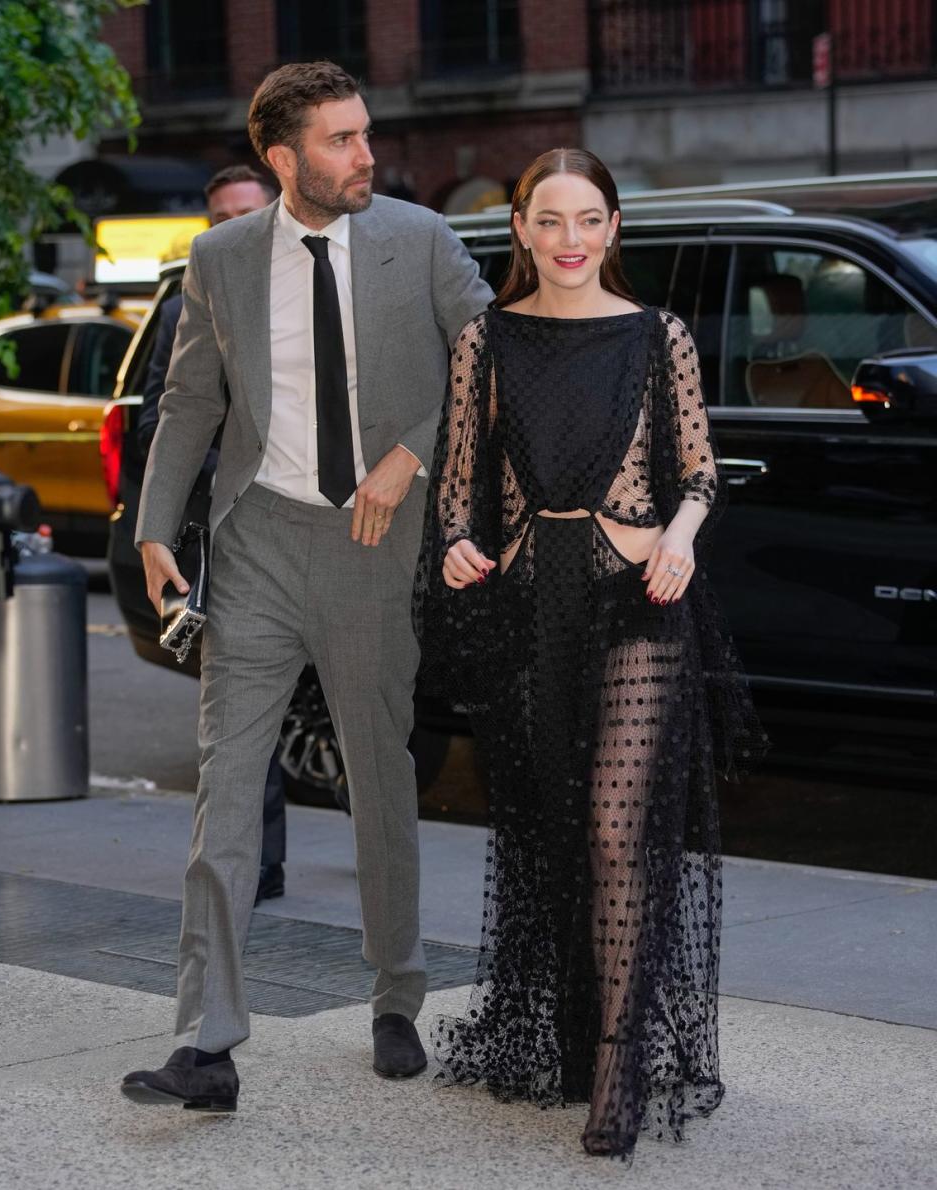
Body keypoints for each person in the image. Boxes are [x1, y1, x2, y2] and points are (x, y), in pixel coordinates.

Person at [120, 60, 491, 1111]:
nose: (365, 154)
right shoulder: (221, 257)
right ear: (283, 158)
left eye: (365, 133)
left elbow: (488, 359)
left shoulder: (419, 239)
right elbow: (192, 399)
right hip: (257, 542)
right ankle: (206, 1038)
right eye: (340, 140)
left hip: (376, 539)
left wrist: (409, 452)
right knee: (226, 788)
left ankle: (396, 993)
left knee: (379, 774)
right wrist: (155, 531)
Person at [413, 148, 766, 1162]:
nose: (570, 240)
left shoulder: (659, 337)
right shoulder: (488, 338)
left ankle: (618, 1065)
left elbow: (697, 471)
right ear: (519, 228)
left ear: (615, 227)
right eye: (549, 220)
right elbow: (458, 481)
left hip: (638, 594)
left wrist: (682, 537)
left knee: (618, 826)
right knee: (557, 831)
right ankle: (574, 1033)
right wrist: (459, 542)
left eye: (589, 219)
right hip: (530, 601)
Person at [137, 165, 286, 906]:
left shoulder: (322, 283)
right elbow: (154, 420)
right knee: (241, 707)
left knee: (374, 709)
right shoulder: (184, 306)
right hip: (230, 533)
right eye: (218, 216)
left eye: (244, 214)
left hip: (334, 527)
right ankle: (253, 865)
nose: (231, 227)